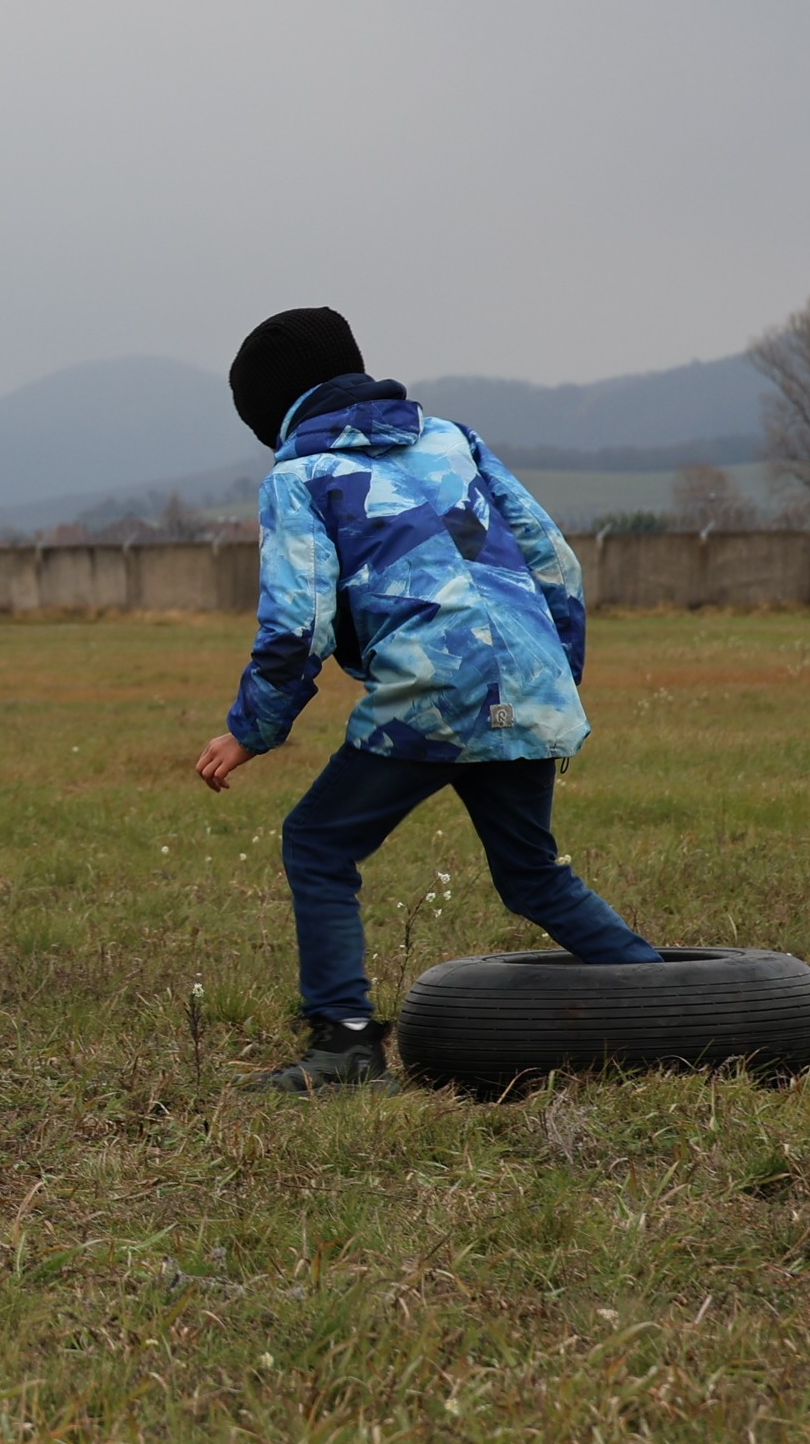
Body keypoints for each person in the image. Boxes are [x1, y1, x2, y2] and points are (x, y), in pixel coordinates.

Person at [194, 308, 663, 1094]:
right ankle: (677, 1003)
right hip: (526, 681)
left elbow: (296, 621)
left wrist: (252, 730)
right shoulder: (453, 439)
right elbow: (556, 564)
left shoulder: (299, 476)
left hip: (430, 690)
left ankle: (343, 1043)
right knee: (532, 874)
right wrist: (550, 679)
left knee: (318, 843)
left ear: (271, 413)